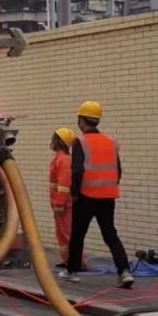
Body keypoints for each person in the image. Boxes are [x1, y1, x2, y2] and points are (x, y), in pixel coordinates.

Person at [66, 101, 134, 288]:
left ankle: (73, 271)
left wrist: (74, 192)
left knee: (78, 234)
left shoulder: (80, 142)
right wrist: (110, 187)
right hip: (108, 196)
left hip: (86, 196)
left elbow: (77, 171)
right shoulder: (111, 141)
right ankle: (125, 271)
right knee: (110, 234)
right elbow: (118, 169)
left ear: (81, 120)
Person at [47, 128, 83, 270]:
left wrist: (59, 204)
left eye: (54, 138)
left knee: (67, 233)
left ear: (59, 141)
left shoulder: (64, 160)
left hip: (64, 205)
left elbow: (64, 185)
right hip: (60, 203)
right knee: (62, 233)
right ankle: (68, 260)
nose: (52, 141)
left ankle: (76, 262)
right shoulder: (61, 158)